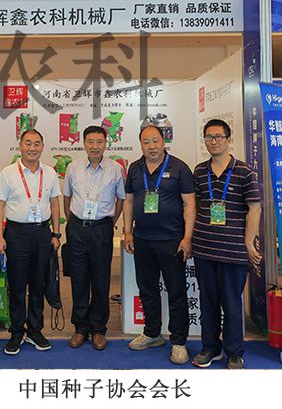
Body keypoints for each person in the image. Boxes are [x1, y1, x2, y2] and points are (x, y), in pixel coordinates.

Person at [191, 119, 262, 369]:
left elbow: (254, 208)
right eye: (209, 137)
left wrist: (248, 242)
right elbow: (194, 206)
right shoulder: (199, 171)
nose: (213, 141)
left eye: (218, 137)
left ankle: (234, 352)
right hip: (204, 249)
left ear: (228, 139)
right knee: (208, 301)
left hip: (233, 250)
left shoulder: (244, 171)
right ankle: (210, 348)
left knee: (232, 304)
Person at [123, 125, 196, 364]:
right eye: (146, 142)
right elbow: (129, 201)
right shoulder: (135, 168)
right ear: (140, 144)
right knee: (147, 290)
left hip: (172, 241)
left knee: (176, 292)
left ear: (163, 142)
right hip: (142, 240)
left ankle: (179, 341)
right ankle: (152, 333)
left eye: (155, 141)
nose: (151, 146)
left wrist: (187, 237)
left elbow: (189, 204)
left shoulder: (179, 168)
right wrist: (127, 232)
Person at [0, 129, 62, 355]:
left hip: (42, 233)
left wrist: (56, 234)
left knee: (38, 285)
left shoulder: (50, 173)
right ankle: (16, 332)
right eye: (28, 143)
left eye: (37, 144)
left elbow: (54, 204)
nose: (32, 148)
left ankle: (35, 330)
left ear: (43, 147)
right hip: (16, 234)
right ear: (20, 146)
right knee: (17, 286)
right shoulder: (8, 173)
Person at [62, 125, 125, 350]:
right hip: (77, 228)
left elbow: (121, 200)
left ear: (106, 143)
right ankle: (81, 328)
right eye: (90, 141)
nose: (95, 146)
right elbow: (67, 198)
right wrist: (73, 222)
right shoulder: (73, 168)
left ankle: (98, 329)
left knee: (101, 279)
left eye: (99, 142)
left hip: (102, 229)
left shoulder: (116, 169)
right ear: (84, 143)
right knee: (79, 279)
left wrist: (108, 222)